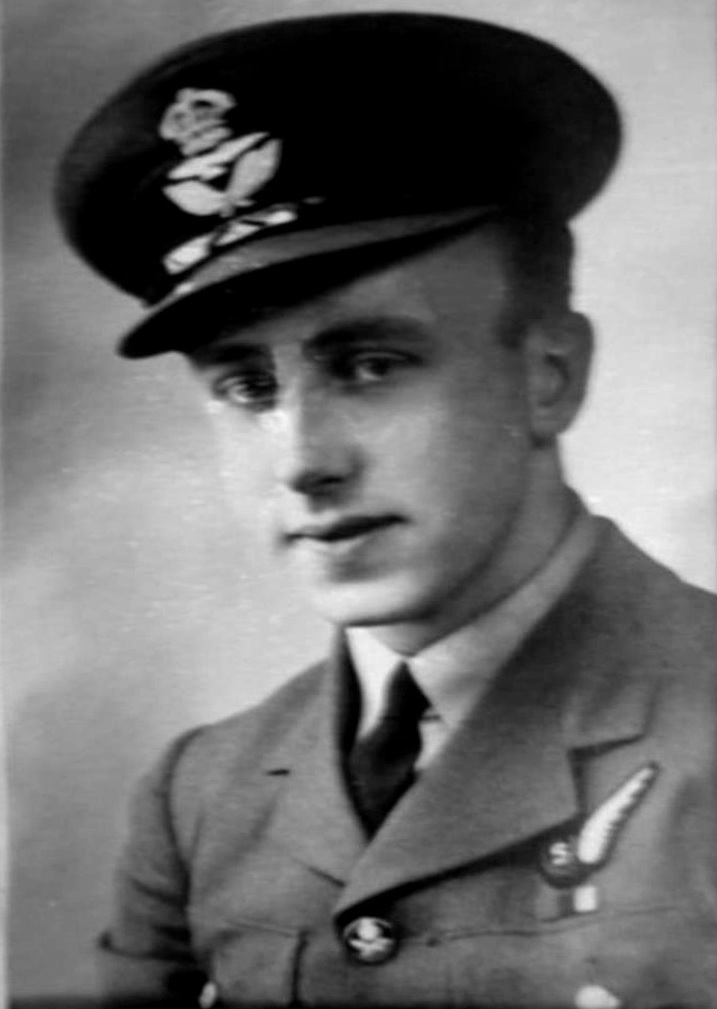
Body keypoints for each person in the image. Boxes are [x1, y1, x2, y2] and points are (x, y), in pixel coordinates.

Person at [55, 11, 717, 1008]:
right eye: (245, 386)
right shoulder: (199, 792)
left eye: (371, 364)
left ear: (548, 374)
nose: (303, 461)